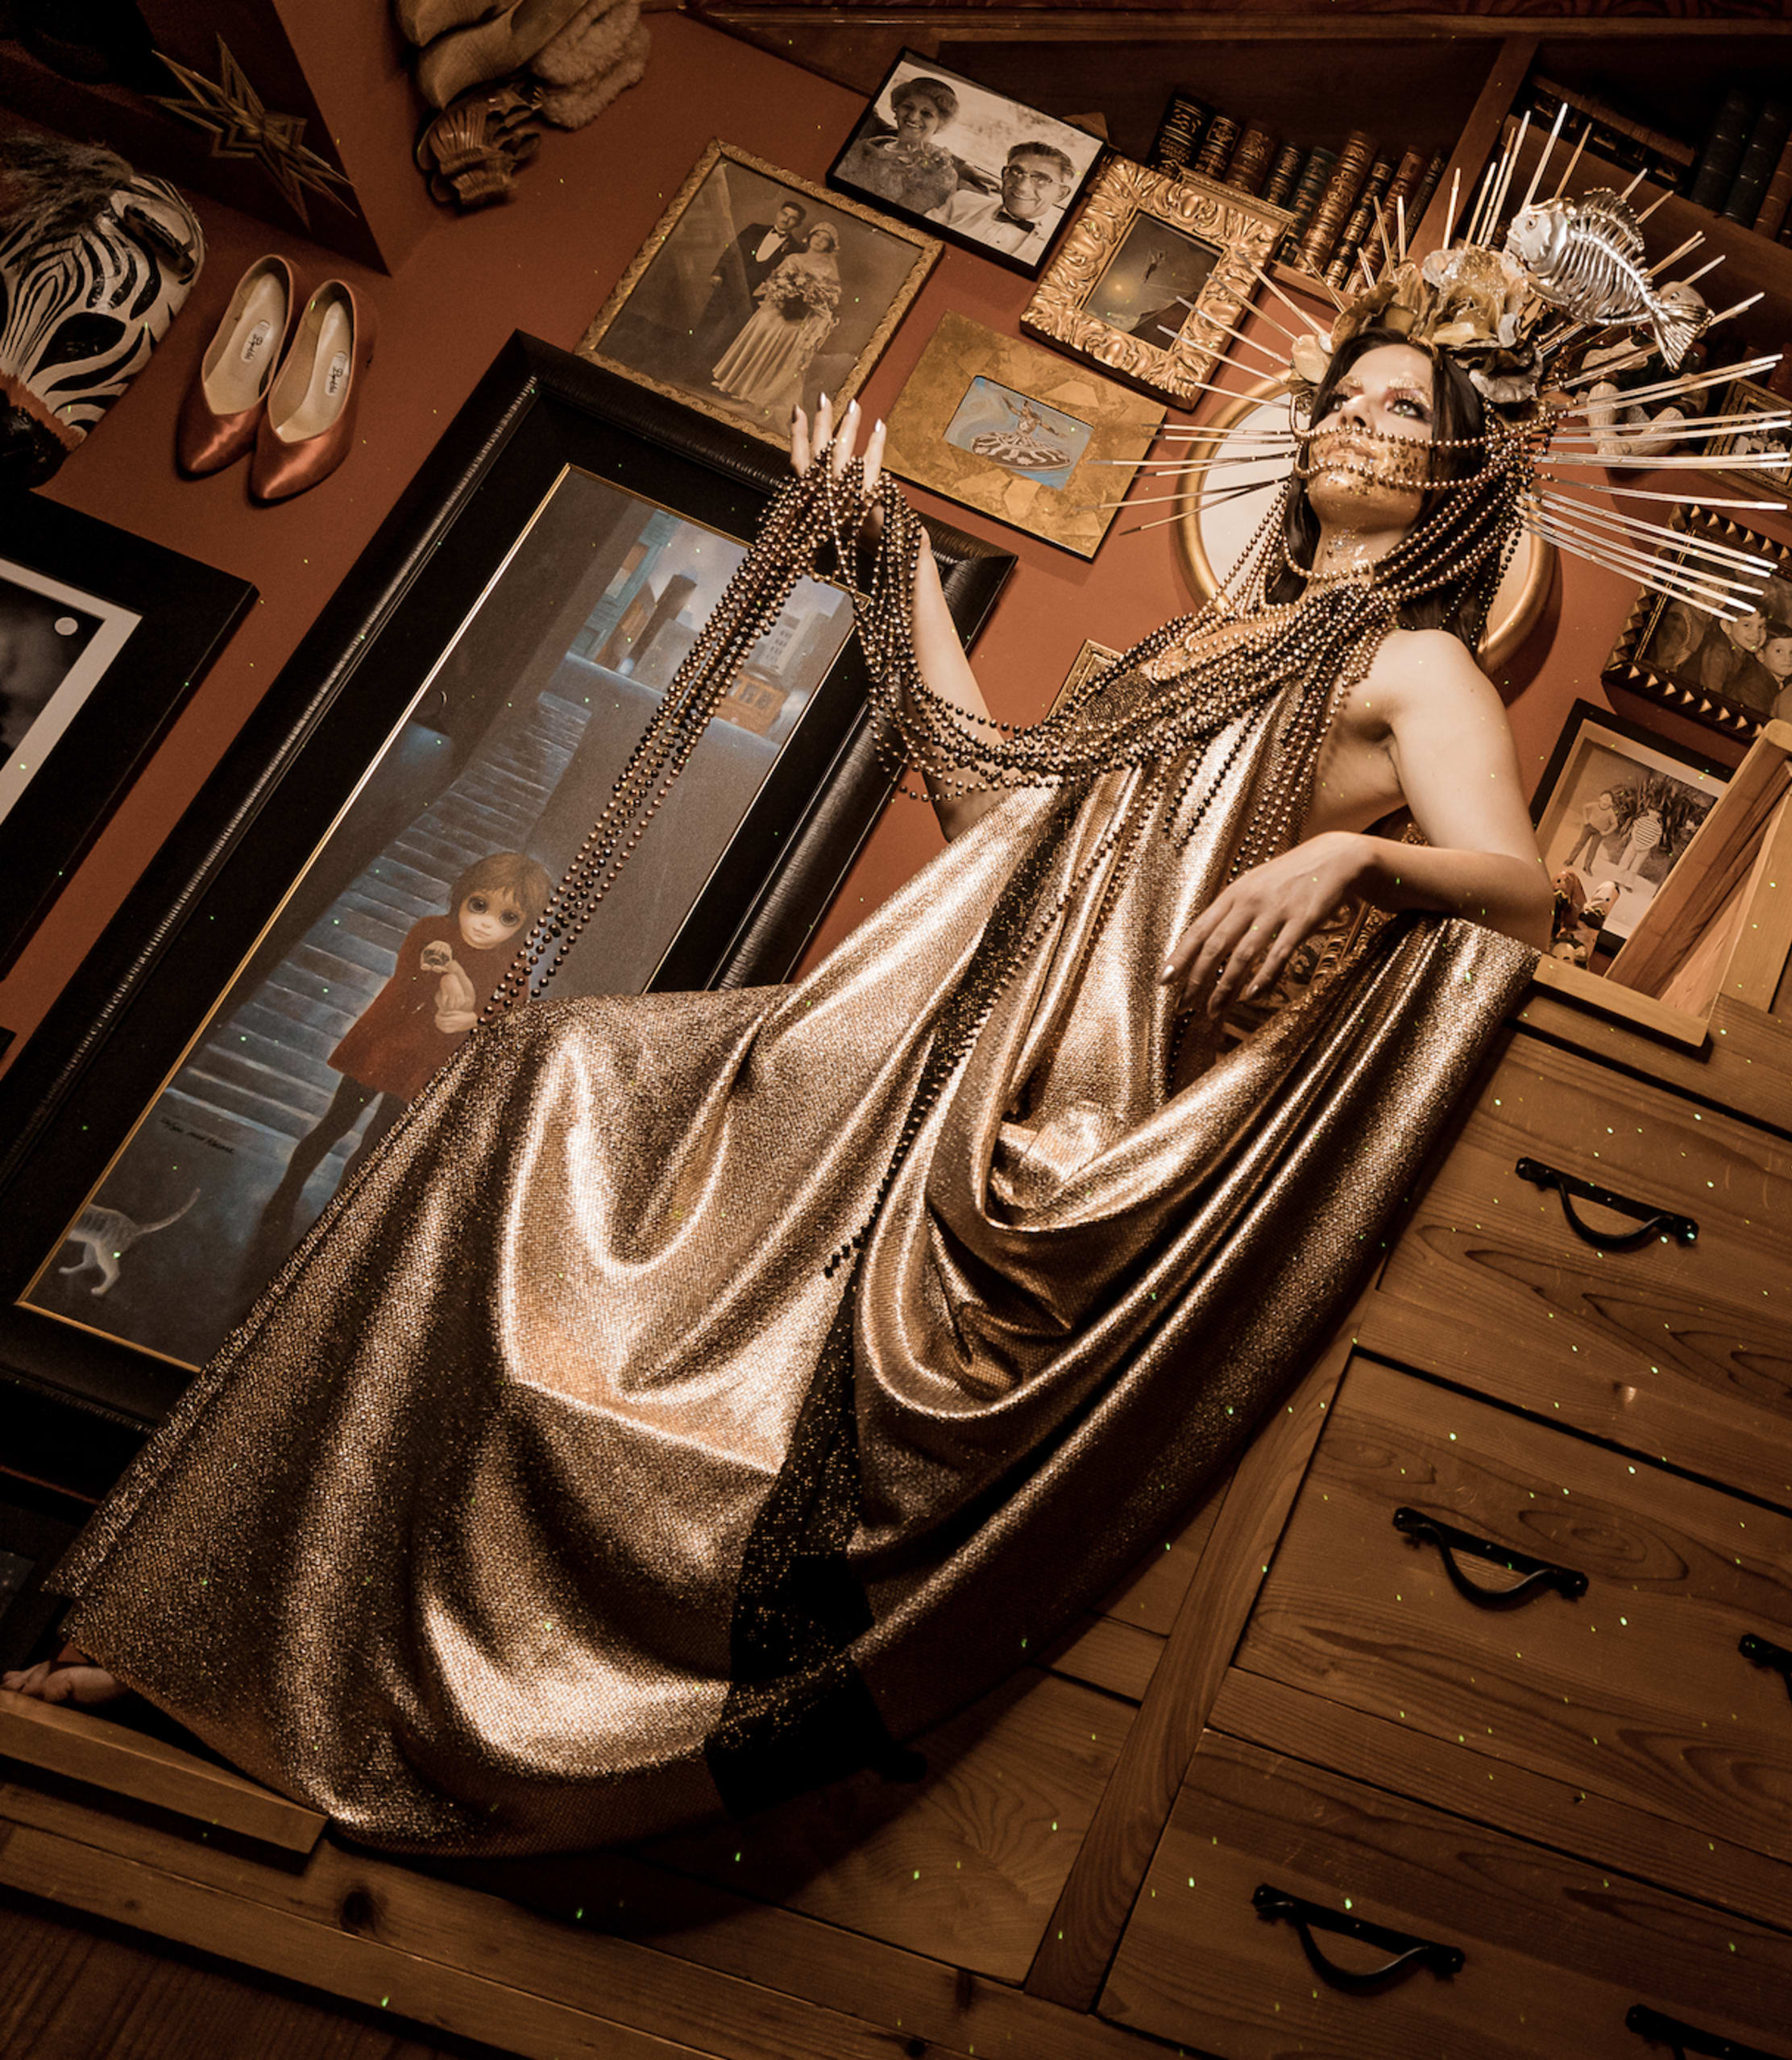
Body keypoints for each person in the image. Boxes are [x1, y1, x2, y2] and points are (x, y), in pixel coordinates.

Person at [4, 334, 1557, 1855]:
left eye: (1400, 408)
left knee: (618, 1265)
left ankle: (366, 1704)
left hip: (1055, 1099)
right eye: (1338, 397)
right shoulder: (1199, 645)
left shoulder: (1414, 665)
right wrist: (898, 560)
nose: (1352, 422)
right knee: (537, 1074)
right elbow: (987, 800)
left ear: (1460, 466)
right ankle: (236, 1653)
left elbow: (1518, 892)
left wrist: (1357, 851)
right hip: (915, 1022)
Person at [242, 851, 554, 1283]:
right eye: (478, 906)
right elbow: (411, 978)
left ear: (525, 924)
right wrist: (438, 965)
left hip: (425, 1065)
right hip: (385, 1044)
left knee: (372, 1145)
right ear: (462, 898)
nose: (485, 923)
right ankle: (286, 1193)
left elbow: (504, 1021)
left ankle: (329, 1224)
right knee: (335, 1122)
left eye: (507, 918)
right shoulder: (432, 931)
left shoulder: (513, 966)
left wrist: (472, 1020)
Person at [711, 222, 841, 417]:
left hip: (802, 314)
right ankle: (736, 384)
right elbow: (775, 280)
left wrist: (809, 297)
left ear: (830, 245)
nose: (819, 241)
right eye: (817, 236)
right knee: (765, 325)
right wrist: (785, 293)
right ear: (810, 237)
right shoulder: (794, 257)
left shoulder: (829, 267)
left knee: (788, 335)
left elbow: (833, 296)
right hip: (778, 307)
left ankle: (755, 392)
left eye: (825, 240)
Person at [688, 197, 805, 366]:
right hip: (730, 283)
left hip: (756, 294)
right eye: (784, 214)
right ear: (778, 213)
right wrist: (718, 273)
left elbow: (787, 277)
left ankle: (712, 367)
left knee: (734, 332)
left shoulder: (796, 249)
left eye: (792, 218)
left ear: (798, 224)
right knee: (709, 321)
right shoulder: (754, 229)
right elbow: (732, 251)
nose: (785, 219)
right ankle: (689, 358)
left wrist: (768, 291)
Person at [839, 73, 965, 219]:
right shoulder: (866, 146)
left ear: (940, 124)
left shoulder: (940, 173)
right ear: (896, 109)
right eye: (908, 107)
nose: (913, 117)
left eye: (926, 113)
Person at [938, 139, 1079, 260]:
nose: (1022, 186)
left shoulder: (1064, 249)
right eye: (1016, 172)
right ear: (1004, 174)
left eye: (1041, 179)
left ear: (1061, 194)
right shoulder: (962, 201)